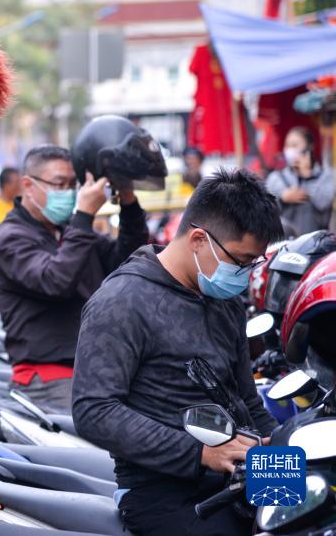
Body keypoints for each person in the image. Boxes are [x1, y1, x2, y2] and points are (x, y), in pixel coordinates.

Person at [73, 170, 283, 536]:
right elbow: (93, 409)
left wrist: (283, 448)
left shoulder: (226, 302)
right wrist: (200, 453)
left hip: (239, 474)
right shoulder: (122, 301)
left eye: (253, 264)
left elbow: (246, 400)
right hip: (165, 494)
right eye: (240, 261)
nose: (245, 274)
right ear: (199, 239)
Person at [0, 145, 146, 413]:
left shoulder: (67, 232)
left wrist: (128, 200)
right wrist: (83, 216)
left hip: (95, 368)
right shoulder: (11, 238)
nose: (69, 193)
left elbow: (126, 259)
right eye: (59, 184)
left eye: (73, 185)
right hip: (49, 378)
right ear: (28, 185)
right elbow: (55, 280)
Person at [266, 126, 335, 236]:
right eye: (287, 145)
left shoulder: (327, 175)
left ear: (309, 148)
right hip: (284, 242)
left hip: (316, 241)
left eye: (294, 145)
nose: (290, 150)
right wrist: (283, 198)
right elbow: (266, 211)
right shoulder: (276, 178)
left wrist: (307, 176)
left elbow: (322, 203)